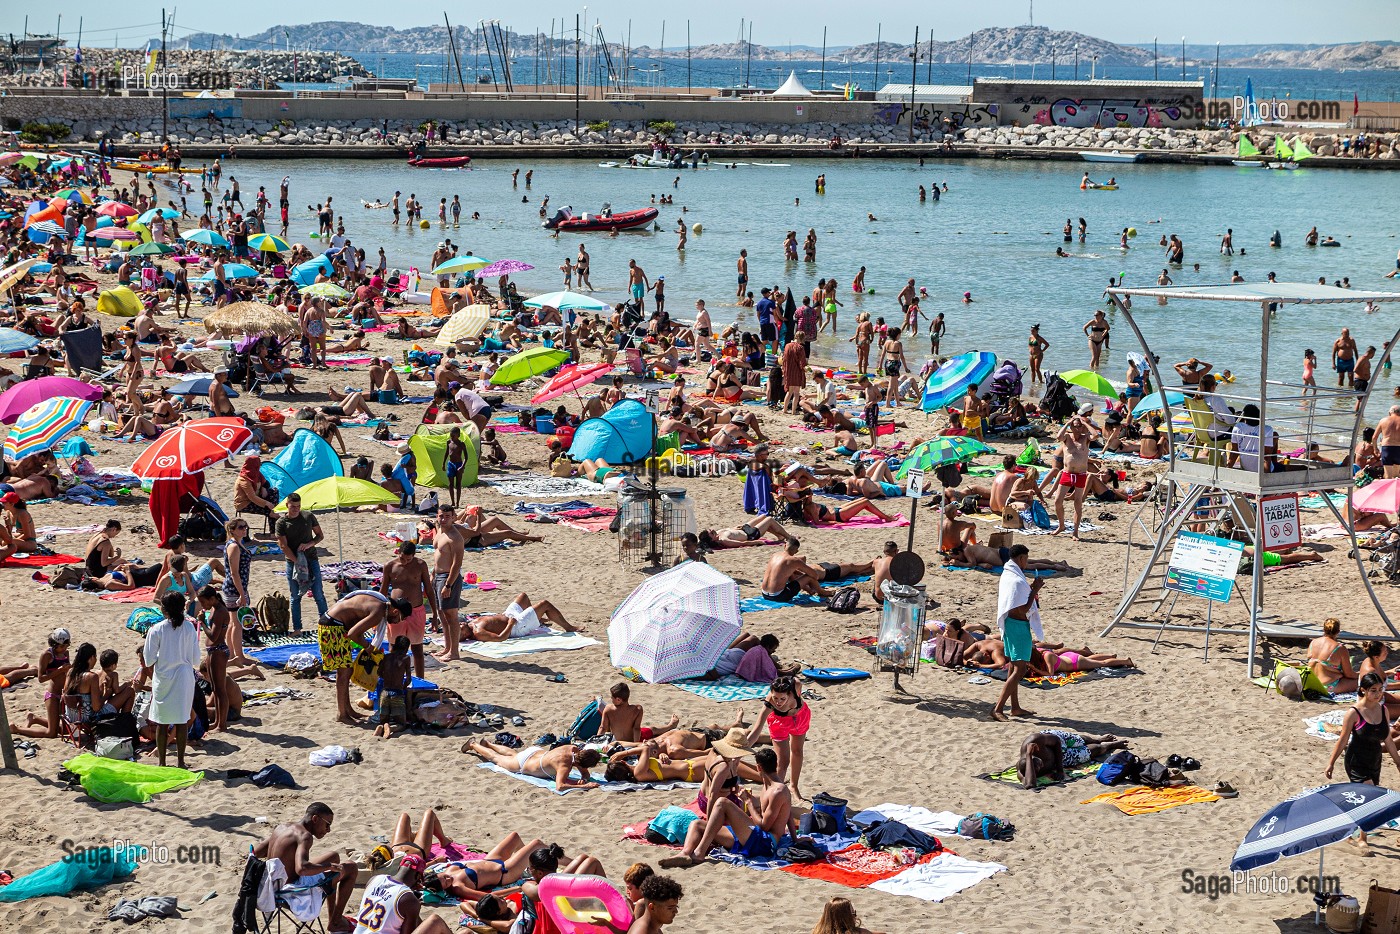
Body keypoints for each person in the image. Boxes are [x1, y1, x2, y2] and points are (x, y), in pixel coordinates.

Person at [661, 745, 797, 868]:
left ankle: (699, 853)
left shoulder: (777, 791)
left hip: (766, 843)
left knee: (722, 803)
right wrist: (795, 838)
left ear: (758, 767)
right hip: (753, 836)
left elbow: (764, 826)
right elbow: (788, 812)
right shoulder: (770, 784)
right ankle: (685, 853)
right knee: (697, 824)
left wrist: (748, 802)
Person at [253, 803, 360, 933]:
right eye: (327, 824)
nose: (328, 830)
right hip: (290, 889)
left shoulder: (282, 827)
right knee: (350, 868)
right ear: (315, 819)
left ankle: (333, 918)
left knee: (334, 856)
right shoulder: (305, 836)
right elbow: (302, 869)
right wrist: (329, 866)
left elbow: (256, 852)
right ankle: (336, 921)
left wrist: (283, 852)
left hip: (270, 886)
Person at [1324, 672, 1400, 852]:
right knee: (1369, 798)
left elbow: (1388, 740)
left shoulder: (1383, 710)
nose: (1378, 694)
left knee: (1362, 799)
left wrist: (1398, 762)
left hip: (1375, 759)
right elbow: (1342, 740)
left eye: (1381, 690)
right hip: (1356, 760)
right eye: (1373, 690)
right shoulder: (1354, 713)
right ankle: (1362, 839)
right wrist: (1331, 762)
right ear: (1363, 690)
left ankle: (1348, 832)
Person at [319, 590, 412, 725]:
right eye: (401, 619)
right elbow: (353, 634)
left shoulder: (380, 605)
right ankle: (342, 714)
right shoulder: (379, 611)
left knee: (348, 670)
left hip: (336, 625)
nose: (398, 622)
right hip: (332, 627)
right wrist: (368, 648)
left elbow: (357, 630)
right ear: (395, 612)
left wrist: (368, 647)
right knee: (344, 671)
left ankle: (348, 710)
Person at [145, 591, 202, 768]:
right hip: (184, 678)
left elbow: (148, 659)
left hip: (164, 678)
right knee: (182, 720)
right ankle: (181, 761)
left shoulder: (156, 630)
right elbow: (195, 660)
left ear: (165, 610)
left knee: (162, 721)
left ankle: (162, 763)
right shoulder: (189, 628)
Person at [992, 545, 1044, 722]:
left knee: (1014, 667)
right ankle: (998, 708)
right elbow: (1023, 608)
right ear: (1021, 558)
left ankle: (1014, 707)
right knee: (1020, 668)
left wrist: (1030, 590)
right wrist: (1035, 589)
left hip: (1011, 624)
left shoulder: (1009, 574)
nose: (1027, 563)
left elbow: (1017, 600)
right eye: (1026, 559)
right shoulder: (1015, 580)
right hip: (1017, 627)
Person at [380, 540, 439, 680]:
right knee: (394, 648)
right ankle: (393, 678)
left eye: (408, 559)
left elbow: (429, 590)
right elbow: (382, 591)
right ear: (398, 552)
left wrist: (435, 614)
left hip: (416, 610)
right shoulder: (390, 566)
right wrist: (380, 615)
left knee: (417, 648)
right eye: (402, 558)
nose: (405, 562)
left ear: (413, 555)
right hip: (396, 613)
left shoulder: (420, 565)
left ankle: (420, 680)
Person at [351, 854, 452, 934]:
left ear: (399, 868)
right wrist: (415, 903)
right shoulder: (408, 898)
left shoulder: (374, 879)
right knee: (435, 921)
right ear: (417, 876)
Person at [747, 676, 809, 799]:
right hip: (778, 723)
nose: (778, 702)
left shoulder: (796, 686)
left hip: (800, 717)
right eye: (775, 697)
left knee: (797, 751)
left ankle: (793, 786)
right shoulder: (769, 703)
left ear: (790, 693)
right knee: (782, 761)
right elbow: (756, 731)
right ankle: (775, 792)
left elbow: (795, 680)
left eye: (782, 698)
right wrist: (741, 749)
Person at [463, 738, 601, 790]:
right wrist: (584, 785)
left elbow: (584, 772)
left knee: (513, 754)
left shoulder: (573, 749)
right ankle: (473, 744)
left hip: (535, 753)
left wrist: (584, 775)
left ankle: (488, 743)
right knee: (497, 759)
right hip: (524, 765)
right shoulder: (563, 766)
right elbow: (560, 786)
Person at [277, 492, 327, 633]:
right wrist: (297, 561)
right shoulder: (281, 523)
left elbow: (319, 536)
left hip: (311, 559)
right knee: (295, 596)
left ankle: (326, 624)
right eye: (293, 507)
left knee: (318, 594)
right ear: (287, 505)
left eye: (298, 506)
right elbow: (283, 546)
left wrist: (310, 543)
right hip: (292, 563)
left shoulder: (308, 516)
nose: (296, 509)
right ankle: (297, 628)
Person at [8, 628, 71, 739]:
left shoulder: (65, 653)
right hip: (52, 695)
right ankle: (16, 729)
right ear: (55, 644)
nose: (64, 648)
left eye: (66, 646)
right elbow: (41, 678)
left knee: (66, 730)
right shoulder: (47, 655)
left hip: (63, 694)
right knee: (52, 734)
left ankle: (34, 719)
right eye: (62, 646)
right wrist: (59, 671)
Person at [1017, 731, 1128, 788]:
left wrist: (1060, 770)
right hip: (1062, 758)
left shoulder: (1035, 740)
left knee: (1079, 740)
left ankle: (1097, 739)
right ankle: (1110, 745)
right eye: (1037, 768)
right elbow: (1029, 785)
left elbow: (1056, 740)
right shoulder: (1023, 771)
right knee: (1091, 751)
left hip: (1056, 742)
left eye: (1039, 764)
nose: (1041, 767)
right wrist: (1028, 755)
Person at [465, 592, 580, 642]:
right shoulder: (478, 632)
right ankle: (569, 627)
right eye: (460, 628)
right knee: (545, 604)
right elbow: (500, 638)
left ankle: (536, 619)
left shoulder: (469, 624)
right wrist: (510, 624)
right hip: (517, 626)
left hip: (508, 615)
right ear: (464, 635)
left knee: (523, 597)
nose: (460, 624)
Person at [432, 505, 466, 661]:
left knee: (451, 615)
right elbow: (437, 555)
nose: (443, 519)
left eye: (447, 516)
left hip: (448, 578)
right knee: (442, 614)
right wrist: (433, 574)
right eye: (441, 516)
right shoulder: (439, 530)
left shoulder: (455, 537)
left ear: (454, 517)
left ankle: (454, 652)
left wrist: (448, 585)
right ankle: (447, 647)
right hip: (437, 576)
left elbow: (456, 564)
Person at [1052, 417, 1092, 539]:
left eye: (1079, 426)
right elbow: (1059, 436)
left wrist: (1085, 423)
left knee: (1077, 502)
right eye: (1075, 426)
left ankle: (1075, 531)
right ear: (1071, 427)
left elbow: (1096, 435)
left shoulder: (1086, 438)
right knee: (1058, 501)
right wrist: (1068, 423)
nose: (1078, 428)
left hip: (1080, 474)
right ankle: (1061, 525)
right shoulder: (1067, 438)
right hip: (1067, 473)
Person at [761, 537, 835, 603]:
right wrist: (803, 575)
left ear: (785, 546)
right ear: (796, 551)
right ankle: (822, 592)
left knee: (791, 574)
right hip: (778, 596)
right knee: (809, 577)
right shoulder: (794, 560)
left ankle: (809, 590)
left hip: (764, 593)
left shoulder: (774, 555)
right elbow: (815, 575)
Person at [1307, 617, 1358, 695]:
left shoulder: (1313, 642)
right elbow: (1349, 674)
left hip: (1312, 684)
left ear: (1324, 630)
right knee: (1363, 681)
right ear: (1338, 632)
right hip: (1329, 686)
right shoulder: (1339, 648)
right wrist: (1361, 675)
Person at [811, 897, 886, 934]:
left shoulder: (818, 931)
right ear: (846, 918)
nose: (855, 916)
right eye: (854, 914)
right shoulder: (857, 932)